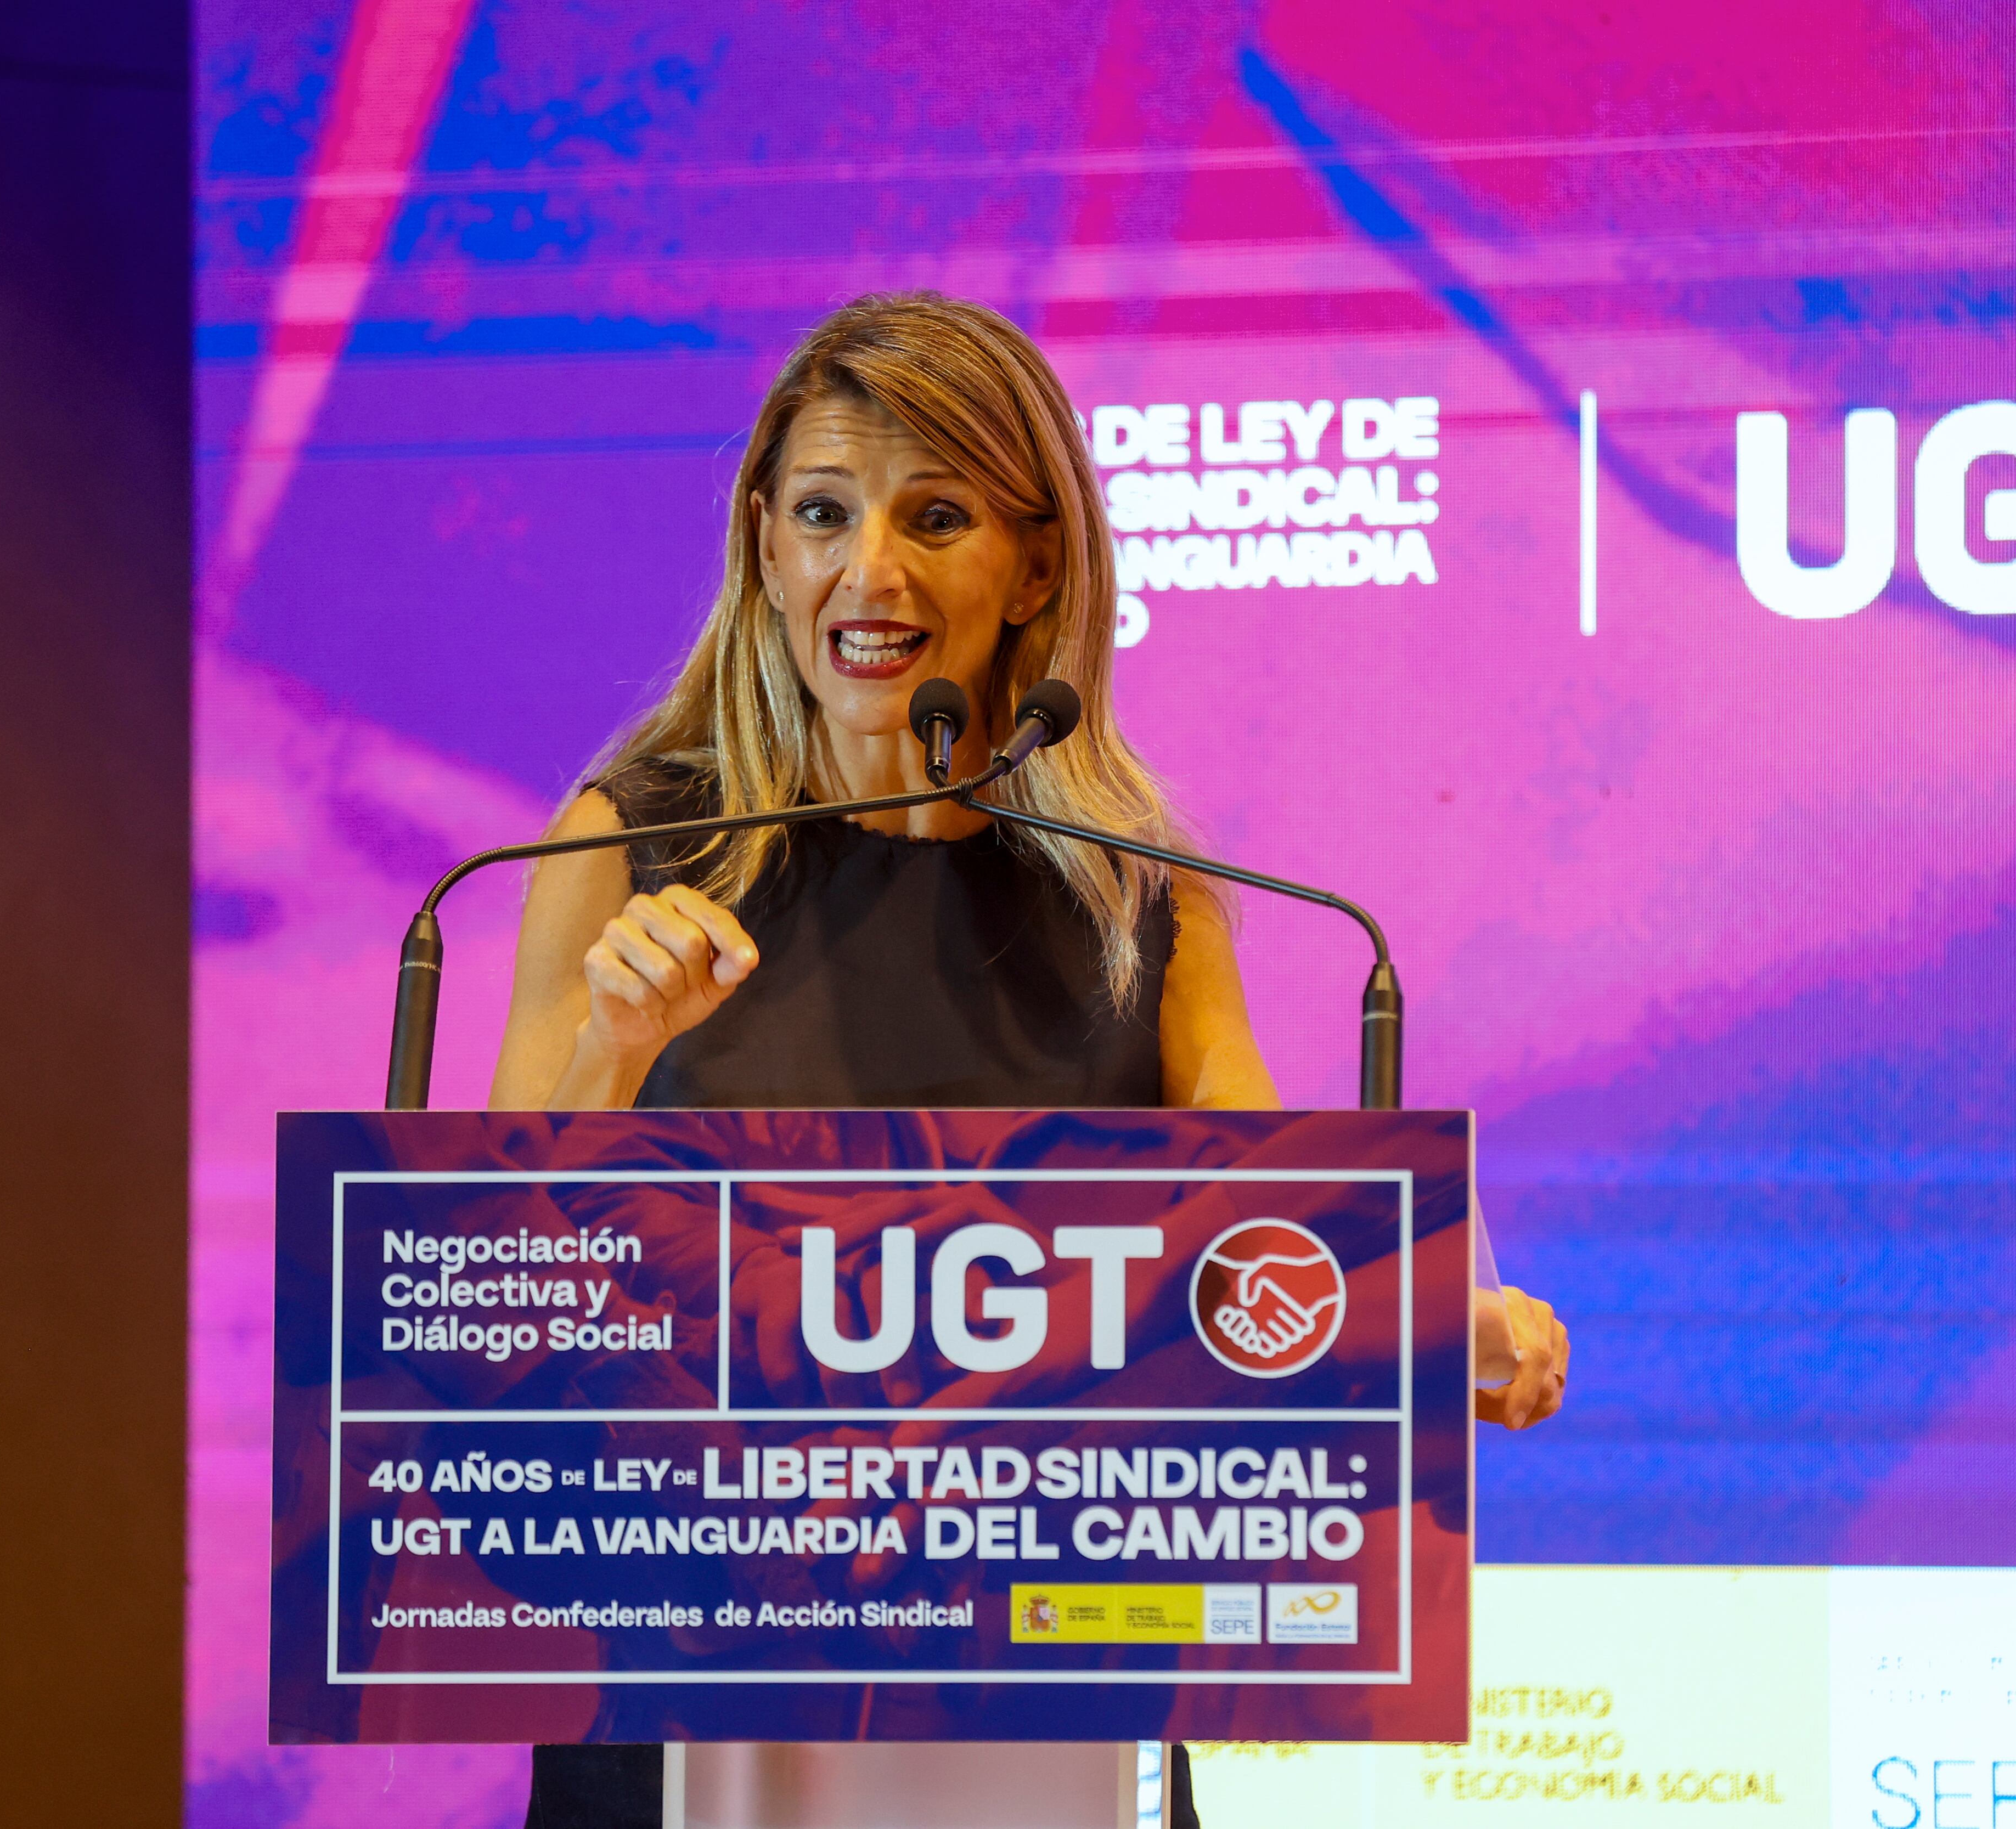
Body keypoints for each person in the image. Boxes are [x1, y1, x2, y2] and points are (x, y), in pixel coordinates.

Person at [489, 291, 1567, 1827]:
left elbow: (1270, 1230)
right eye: (822, 513)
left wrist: (1445, 1313)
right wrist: (615, 1041)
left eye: (936, 517)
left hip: (1048, 1702)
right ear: (764, 549)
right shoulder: (633, 849)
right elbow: (474, 1299)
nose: (869, 573)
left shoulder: (1133, 893)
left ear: (1037, 563)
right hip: (689, 1701)